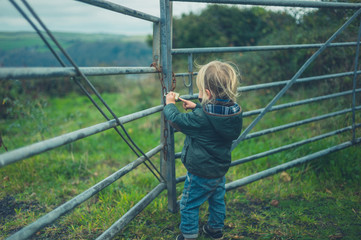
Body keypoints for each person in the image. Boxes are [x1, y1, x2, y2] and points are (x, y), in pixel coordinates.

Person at [163, 60, 243, 240]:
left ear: (207, 93)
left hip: (200, 171)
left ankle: (189, 234)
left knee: (189, 203)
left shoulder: (201, 118)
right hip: (219, 169)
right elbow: (213, 118)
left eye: (200, 91)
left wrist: (169, 104)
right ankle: (215, 230)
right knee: (217, 200)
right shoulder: (234, 112)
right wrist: (197, 106)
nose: (199, 94)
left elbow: (177, 120)